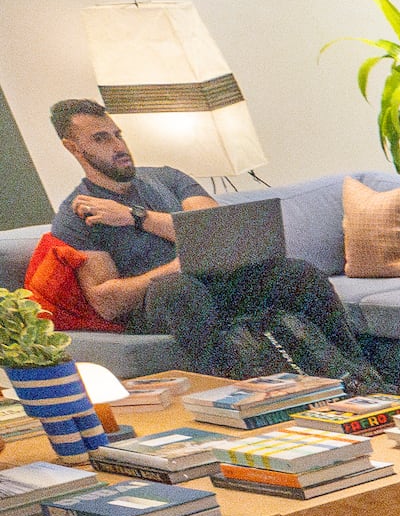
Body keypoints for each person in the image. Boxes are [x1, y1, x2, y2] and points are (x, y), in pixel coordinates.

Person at [41, 100, 372, 383]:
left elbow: (218, 232)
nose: (118, 147)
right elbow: (106, 301)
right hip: (162, 303)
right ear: (73, 147)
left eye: (117, 134)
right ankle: (235, 394)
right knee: (179, 288)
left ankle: (360, 374)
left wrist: (135, 216)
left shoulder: (167, 178)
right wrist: (175, 266)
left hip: (219, 282)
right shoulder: (78, 213)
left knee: (296, 273)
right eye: (101, 138)